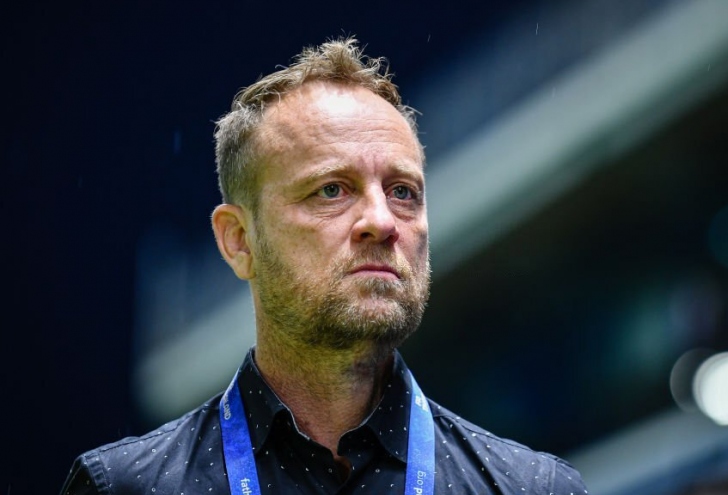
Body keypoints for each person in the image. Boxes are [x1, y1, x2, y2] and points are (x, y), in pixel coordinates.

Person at [60, 37, 589, 495]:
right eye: (332, 190)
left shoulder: (533, 487)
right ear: (239, 241)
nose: (381, 221)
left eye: (403, 192)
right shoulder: (126, 486)